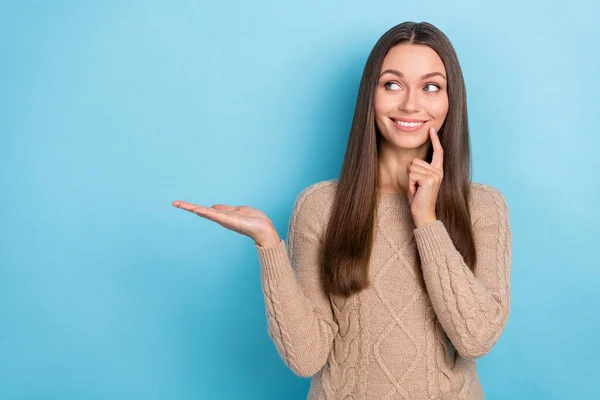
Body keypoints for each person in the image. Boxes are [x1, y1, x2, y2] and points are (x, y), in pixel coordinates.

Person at [172, 21, 511, 400]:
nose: (411, 104)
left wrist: (427, 219)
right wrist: (269, 246)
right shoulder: (321, 206)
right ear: (371, 95)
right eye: (392, 84)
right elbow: (305, 358)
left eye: (431, 86)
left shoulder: (483, 207)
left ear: (451, 100)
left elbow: (477, 338)